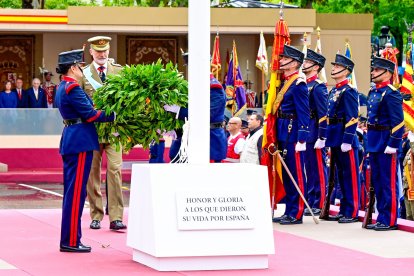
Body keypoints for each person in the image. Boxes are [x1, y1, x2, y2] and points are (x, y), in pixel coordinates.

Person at [54, 49, 115, 253]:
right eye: (80, 66)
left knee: (72, 193)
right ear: (72, 68)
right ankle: (71, 241)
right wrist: (115, 115)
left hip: (73, 139)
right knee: (76, 194)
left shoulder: (64, 86)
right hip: (80, 141)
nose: (82, 69)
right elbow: (90, 114)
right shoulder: (73, 88)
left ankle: (70, 239)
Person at [80, 36, 126, 231]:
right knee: (93, 173)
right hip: (92, 131)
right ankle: (96, 214)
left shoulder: (120, 71)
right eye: (98, 52)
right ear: (91, 52)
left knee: (115, 171)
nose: (102, 54)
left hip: (115, 132)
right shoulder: (83, 74)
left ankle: (115, 216)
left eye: (105, 50)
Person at [270, 45, 310, 225]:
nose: (281, 61)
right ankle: (289, 210)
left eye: (285, 59)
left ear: (294, 63)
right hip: (283, 130)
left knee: (295, 173)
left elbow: (304, 112)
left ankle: (297, 212)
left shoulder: (299, 83)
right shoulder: (286, 82)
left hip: (293, 131)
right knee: (286, 173)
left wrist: (302, 137)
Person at [365, 57, 403, 231]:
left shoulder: (391, 93)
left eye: (376, 70)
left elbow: (398, 122)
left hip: (386, 142)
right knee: (378, 181)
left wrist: (393, 143)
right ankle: (381, 216)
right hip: (374, 140)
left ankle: (390, 219)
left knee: (388, 182)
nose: (372, 72)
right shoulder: (374, 92)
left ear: (387, 72)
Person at [324, 54, 360, 223]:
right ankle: (344, 208)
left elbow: (352, 116)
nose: (333, 69)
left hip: (346, 138)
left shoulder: (349, 91)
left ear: (346, 71)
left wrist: (347, 139)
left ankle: (351, 211)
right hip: (335, 135)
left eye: (337, 67)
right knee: (340, 174)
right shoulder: (334, 90)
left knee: (350, 175)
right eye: (334, 66)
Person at [302, 49, 328, 216]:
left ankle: (319, 201)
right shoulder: (304, 84)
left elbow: (323, 113)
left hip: (315, 131)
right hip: (306, 132)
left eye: (308, 62)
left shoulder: (318, 87)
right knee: (309, 169)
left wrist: (322, 136)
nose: (304, 64)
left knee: (318, 169)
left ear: (316, 66)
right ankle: (311, 199)